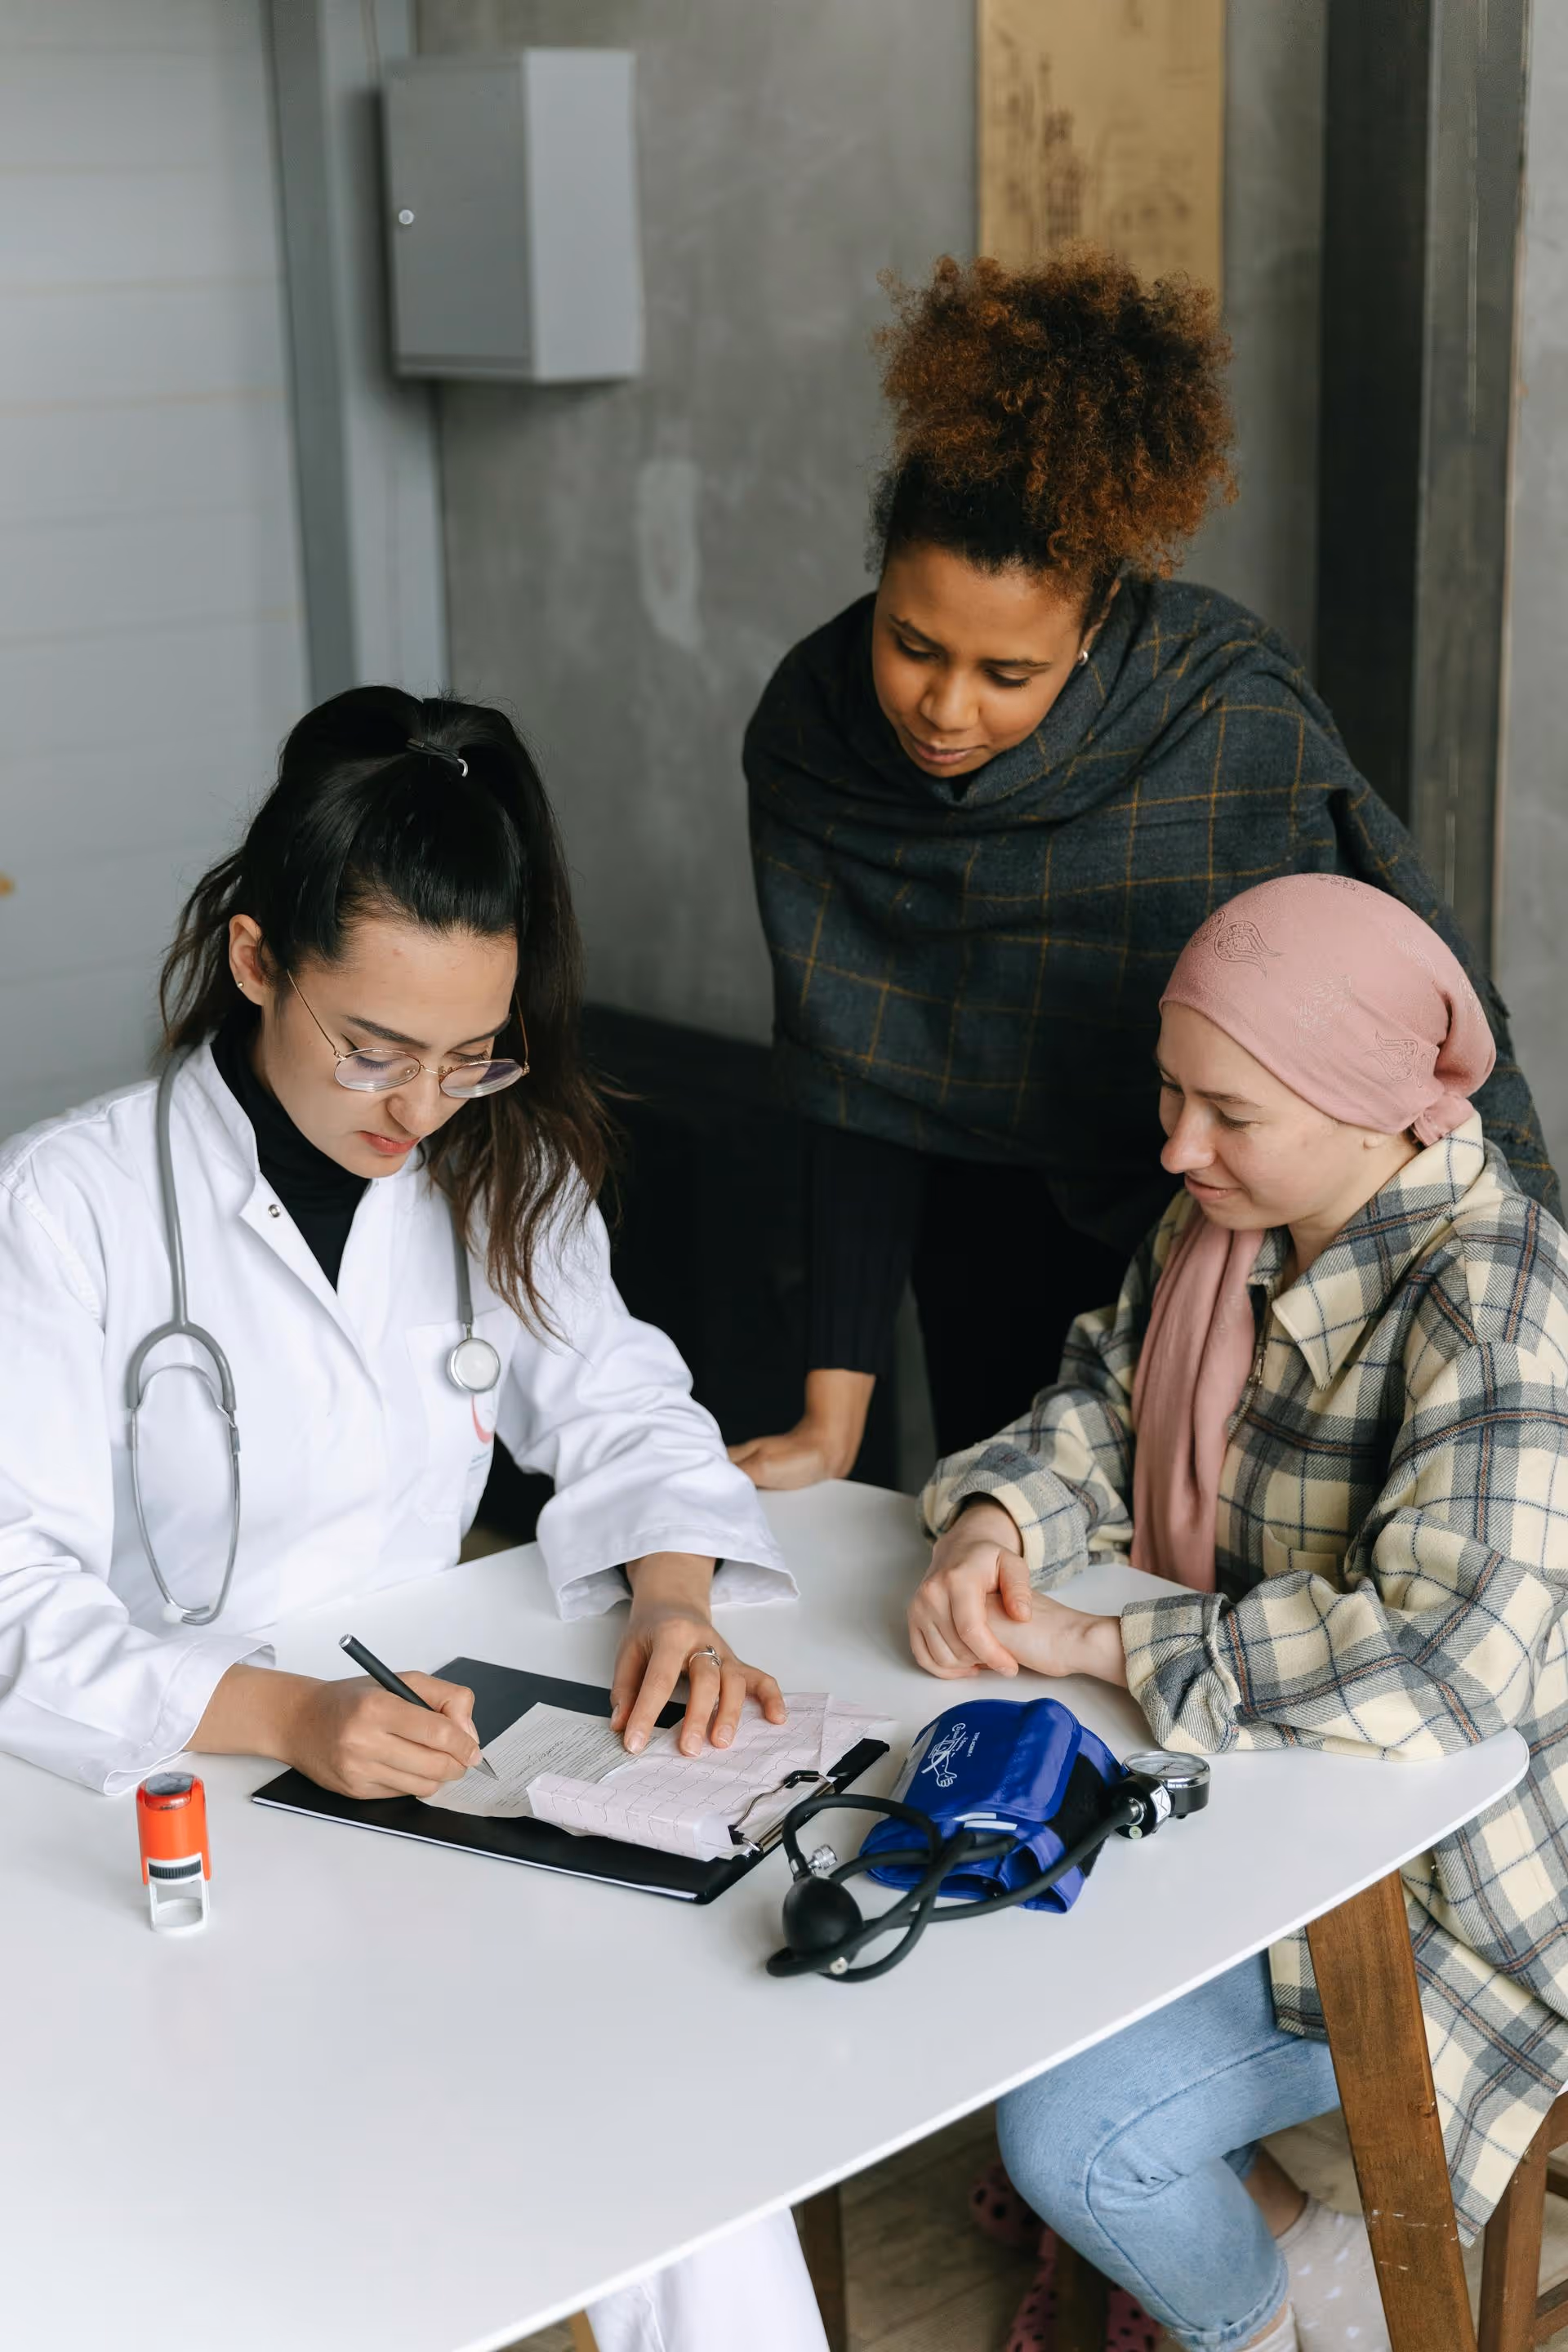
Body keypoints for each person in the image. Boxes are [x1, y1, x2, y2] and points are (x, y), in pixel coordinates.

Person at [0, 686, 829, 2352]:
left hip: (417, 1764)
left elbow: (620, 1403)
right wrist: (291, 1716)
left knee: (689, 2156)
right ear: (257, 961)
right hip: (150, 1785)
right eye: (372, 1047)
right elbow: (11, 1591)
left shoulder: (495, 1170)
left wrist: (674, 1591)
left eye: (470, 1054)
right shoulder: (68, 1205)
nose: (419, 1106)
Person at [733, 249, 1558, 1492]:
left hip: (1221, 1218)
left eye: (1008, 673)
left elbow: (1398, 1028)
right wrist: (829, 1414)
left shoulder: (1221, 722)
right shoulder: (816, 730)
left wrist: (1506, 1294)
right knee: (1006, 1521)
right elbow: (855, 1074)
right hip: (979, 1226)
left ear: (1100, 618)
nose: (944, 708)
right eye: (912, 644)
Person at [910, 875, 1568, 2352]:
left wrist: (1111, 1642)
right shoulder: (1224, 1223)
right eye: (1172, 1092)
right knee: (945, 1914)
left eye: (1230, 1112)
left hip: (1456, 1891)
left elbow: (1449, 1665)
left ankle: (1262, 2305)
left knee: (1076, 2135)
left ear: (1369, 1106)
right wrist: (995, 1519)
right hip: (1261, 1795)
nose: (1176, 1145)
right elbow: (1099, 1398)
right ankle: (1298, 2253)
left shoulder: (1495, 1298)